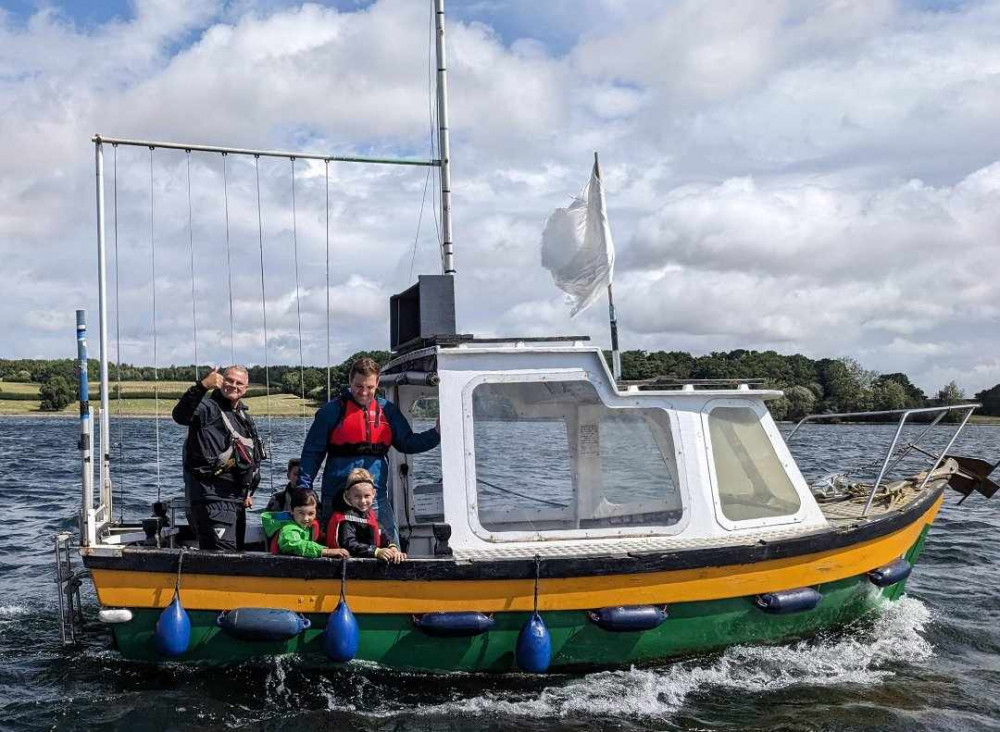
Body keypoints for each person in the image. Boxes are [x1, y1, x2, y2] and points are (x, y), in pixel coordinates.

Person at [298, 357, 439, 543]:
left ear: (377, 383)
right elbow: (312, 454)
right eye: (358, 386)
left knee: (392, 546)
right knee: (337, 546)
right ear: (350, 381)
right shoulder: (330, 412)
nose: (364, 392)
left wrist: (436, 432)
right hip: (337, 495)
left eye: (370, 387)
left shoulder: (388, 410)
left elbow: (408, 443)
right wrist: (302, 490)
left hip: (375, 496)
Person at [172, 365, 266, 551]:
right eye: (229, 380)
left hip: (236, 500)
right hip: (213, 498)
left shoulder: (243, 417)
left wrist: (248, 491)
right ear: (221, 381)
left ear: (245, 389)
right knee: (221, 558)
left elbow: (250, 457)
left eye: (239, 383)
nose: (233, 385)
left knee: (236, 557)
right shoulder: (207, 408)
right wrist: (202, 386)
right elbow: (180, 415)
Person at [326, 469, 405, 563]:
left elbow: (383, 533)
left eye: (367, 496)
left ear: (373, 494)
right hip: (346, 565)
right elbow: (349, 543)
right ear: (347, 495)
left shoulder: (368, 514)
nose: (363, 501)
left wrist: (392, 548)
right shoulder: (345, 518)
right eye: (357, 496)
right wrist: (375, 551)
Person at [261, 488, 348, 558]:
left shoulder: (311, 527)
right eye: (301, 513)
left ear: (316, 512)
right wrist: (326, 551)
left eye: (311, 514)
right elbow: (294, 544)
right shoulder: (288, 529)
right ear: (291, 510)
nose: (306, 518)